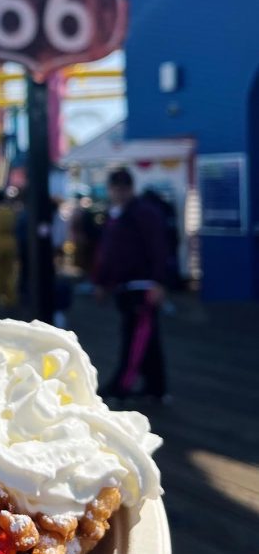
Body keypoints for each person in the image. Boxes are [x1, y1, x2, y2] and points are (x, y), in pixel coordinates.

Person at [94, 167, 169, 402]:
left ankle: (121, 385)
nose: (119, 192)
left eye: (123, 187)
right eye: (116, 187)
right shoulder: (115, 215)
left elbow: (159, 248)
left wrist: (158, 282)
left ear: (130, 188)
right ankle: (156, 388)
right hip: (124, 286)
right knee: (147, 339)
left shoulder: (143, 213)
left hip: (143, 285)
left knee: (136, 338)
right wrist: (103, 282)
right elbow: (108, 253)